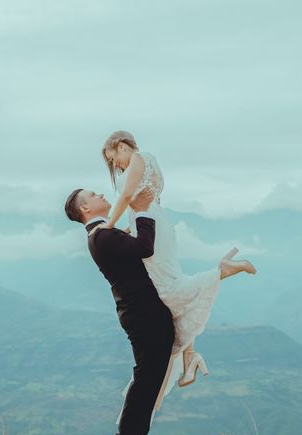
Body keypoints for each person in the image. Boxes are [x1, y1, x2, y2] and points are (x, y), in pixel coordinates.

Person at [96, 130, 257, 417]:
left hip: (153, 231)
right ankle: (190, 358)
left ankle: (223, 271)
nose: (117, 166)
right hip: (157, 226)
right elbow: (144, 204)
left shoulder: (137, 159)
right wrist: (124, 230)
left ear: (121, 147)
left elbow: (126, 197)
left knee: (169, 292)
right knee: (169, 299)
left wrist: (108, 226)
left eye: (114, 159)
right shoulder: (152, 160)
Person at [64, 186, 172, 435]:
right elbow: (145, 248)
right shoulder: (101, 236)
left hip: (143, 309)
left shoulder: (105, 233)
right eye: (93, 195)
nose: (101, 194)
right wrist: (142, 212)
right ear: (86, 209)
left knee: (153, 373)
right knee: (146, 374)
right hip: (140, 311)